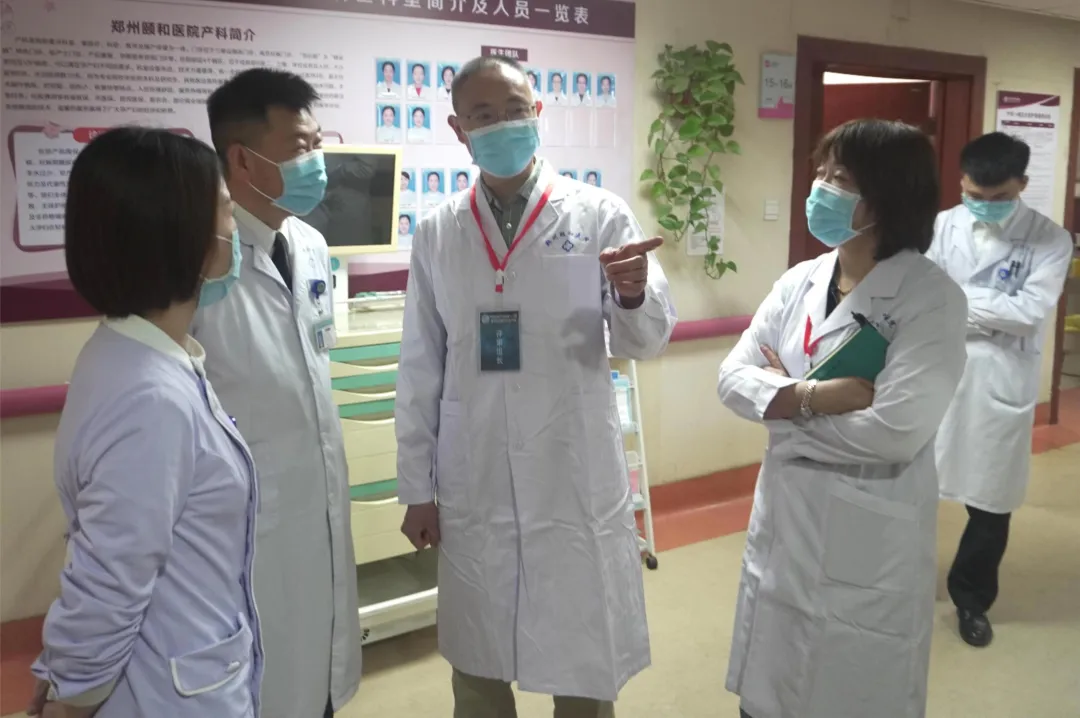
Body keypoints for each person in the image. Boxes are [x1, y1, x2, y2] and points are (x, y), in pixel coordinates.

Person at [395, 54, 676, 718]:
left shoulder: (599, 214)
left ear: (538, 114)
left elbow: (644, 342)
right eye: (483, 115)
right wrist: (417, 488)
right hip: (475, 471)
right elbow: (420, 365)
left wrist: (631, 295)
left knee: (581, 650)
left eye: (515, 111)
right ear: (459, 129)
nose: (503, 125)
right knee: (479, 659)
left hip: (571, 466)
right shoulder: (438, 231)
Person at [717, 119, 968, 718]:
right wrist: (815, 397)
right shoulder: (799, 281)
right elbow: (731, 378)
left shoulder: (930, 298)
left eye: (842, 178)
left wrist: (779, 407)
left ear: (889, 194)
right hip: (786, 518)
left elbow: (894, 432)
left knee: (851, 686)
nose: (821, 188)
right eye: (823, 172)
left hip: (870, 526)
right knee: (770, 688)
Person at [27, 127, 261, 717]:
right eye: (226, 209)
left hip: (179, 670)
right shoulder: (151, 398)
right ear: (188, 235)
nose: (234, 226)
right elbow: (110, 582)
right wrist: (67, 698)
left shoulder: (131, 354)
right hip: (167, 694)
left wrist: (58, 676)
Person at [202, 67, 362, 718]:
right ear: (242, 159)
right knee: (263, 684)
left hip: (315, 503)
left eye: (317, 143)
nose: (315, 162)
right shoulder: (201, 260)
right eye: (299, 147)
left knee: (314, 678)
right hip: (245, 528)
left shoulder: (311, 244)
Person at [927, 132, 1075, 648]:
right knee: (911, 486)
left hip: (999, 381)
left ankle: (971, 599)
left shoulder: (1051, 239)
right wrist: (988, 309)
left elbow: (1029, 312)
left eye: (999, 197)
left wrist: (955, 303)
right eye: (975, 194)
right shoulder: (940, 226)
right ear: (961, 182)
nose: (985, 204)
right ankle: (902, 580)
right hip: (936, 371)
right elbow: (921, 296)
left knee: (991, 502)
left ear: (1022, 185)